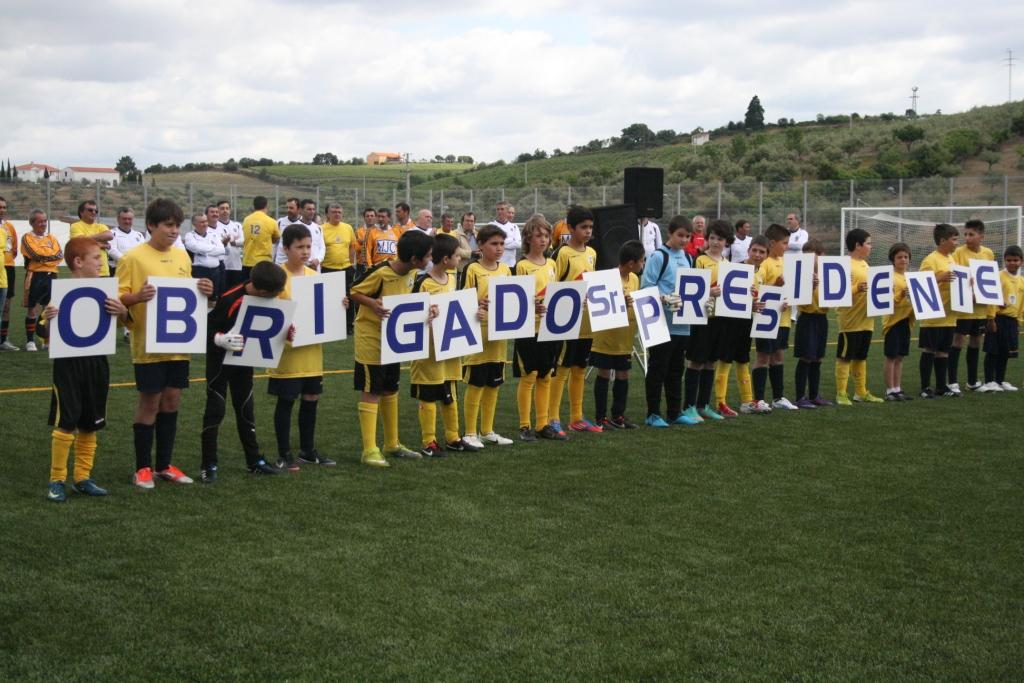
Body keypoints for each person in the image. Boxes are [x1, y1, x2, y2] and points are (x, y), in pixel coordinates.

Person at [118, 199, 214, 489]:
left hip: (178, 344)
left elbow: (190, 297)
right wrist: (137, 297)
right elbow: (116, 299)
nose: (174, 231)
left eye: (177, 226)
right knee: (150, 402)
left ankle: (163, 465)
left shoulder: (183, 257)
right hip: (148, 345)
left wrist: (206, 290)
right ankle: (142, 467)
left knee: (172, 400)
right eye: (168, 225)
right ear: (151, 225)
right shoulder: (132, 258)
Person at [42, 236, 129, 502]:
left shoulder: (105, 294)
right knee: (66, 421)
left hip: (97, 363)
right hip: (68, 365)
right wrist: (48, 322)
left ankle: (82, 477)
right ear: (78, 262)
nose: (102, 263)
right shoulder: (60, 294)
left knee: (91, 423)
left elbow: (121, 323)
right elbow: (47, 335)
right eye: (96, 258)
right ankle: (57, 479)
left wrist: (123, 311)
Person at [349, 230, 434, 467]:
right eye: (427, 256)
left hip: (394, 341)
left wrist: (429, 310)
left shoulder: (413, 273)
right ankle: (369, 449)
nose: (429, 259)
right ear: (415, 258)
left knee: (390, 389)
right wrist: (373, 304)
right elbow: (354, 290)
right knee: (372, 390)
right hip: (371, 340)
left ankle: (392, 443)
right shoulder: (381, 273)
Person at [200, 261, 288, 481]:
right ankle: (208, 464)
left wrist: (285, 332)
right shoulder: (230, 298)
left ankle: (254, 460)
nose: (279, 295)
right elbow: (205, 328)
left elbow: (270, 325)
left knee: (246, 411)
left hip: (244, 361)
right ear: (262, 291)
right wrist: (219, 339)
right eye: (276, 292)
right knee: (215, 411)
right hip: (220, 362)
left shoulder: (265, 298)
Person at [269, 224, 340, 470]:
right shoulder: (277, 277)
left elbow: (324, 315)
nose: (305, 251)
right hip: (287, 356)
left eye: (308, 246)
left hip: (312, 353)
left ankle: (307, 451)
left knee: (311, 398)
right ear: (286, 248)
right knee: (287, 400)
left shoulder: (315, 277)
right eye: (300, 247)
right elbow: (269, 316)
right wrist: (284, 329)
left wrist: (338, 304)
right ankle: (283, 454)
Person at [410, 233, 477, 456]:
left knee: (450, 393)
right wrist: (426, 315)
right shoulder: (422, 283)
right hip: (427, 352)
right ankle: (429, 442)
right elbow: (408, 316)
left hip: (449, 349)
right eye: (457, 256)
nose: (460, 259)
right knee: (429, 395)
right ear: (446, 259)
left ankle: (453, 437)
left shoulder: (451, 279)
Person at [548, 206, 602, 435]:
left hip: (586, 322)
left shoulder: (592, 253)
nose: (588, 231)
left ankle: (577, 417)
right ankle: (552, 418)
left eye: (590, 227)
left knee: (580, 367)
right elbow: (553, 286)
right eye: (583, 227)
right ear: (571, 228)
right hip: (565, 321)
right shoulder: (561, 253)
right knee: (562, 368)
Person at [461, 224, 515, 448]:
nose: (499, 248)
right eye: (494, 243)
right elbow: (462, 302)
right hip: (478, 336)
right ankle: (470, 432)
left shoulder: (506, 270)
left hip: (498, 339)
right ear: (481, 246)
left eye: (502, 243)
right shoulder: (472, 269)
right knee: (476, 383)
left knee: (494, 384)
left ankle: (487, 430)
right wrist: (477, 305)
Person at [642, 215, 693, 427]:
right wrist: (662, 298)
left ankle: (674, 411)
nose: (683, 240)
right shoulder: (658, 256)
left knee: (676, 369)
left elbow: (692, 289)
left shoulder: (689, 258)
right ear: (670, 233)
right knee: (657, 368)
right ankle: (653, 413)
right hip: (660, 322)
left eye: (687, 236)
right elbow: (646, 286)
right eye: (680, 235)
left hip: (682, 324)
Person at [514, 215, 561, 441]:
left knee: (546, 375)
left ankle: (543, 424)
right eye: (538, 235)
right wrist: (532, 306)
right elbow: (516, 301)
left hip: (549, 328)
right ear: (528, 238)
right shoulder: (521, 266)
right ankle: (525, 425)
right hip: (527, 329)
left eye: (546, 235)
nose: (543, 240)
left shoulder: (552, 264)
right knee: (529, 375)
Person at [590, 239, 644, 430]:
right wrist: (619, 301)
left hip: (625, 337)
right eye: (642, 261)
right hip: (606, 337)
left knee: (623, 374)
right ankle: (600, 417)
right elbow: (596, 304)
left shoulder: (635, 279)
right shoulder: (607, 278)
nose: (642, 264)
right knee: (604, 373)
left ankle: (618, 415)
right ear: (631, 263)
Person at [683, 219, 733, 422]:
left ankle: (704, 405)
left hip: (720, 318)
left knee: (711, 362)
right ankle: (689, 406)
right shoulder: (700, 260)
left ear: (726, 242)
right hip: (701, 317)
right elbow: (691, 288)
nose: (715, 242)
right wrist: (708, 292)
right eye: (712, 237)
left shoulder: (729, 265)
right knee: (696, 361)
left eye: (719, 239)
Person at [834, 228, 882, 405]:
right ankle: (841, 393)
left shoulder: (865, 265)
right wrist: (856, 289)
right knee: (845, 356)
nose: (871, 246)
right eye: (868, 243)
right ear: (857, 245)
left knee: (861, 357)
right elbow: (836, 294)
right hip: (850, 321)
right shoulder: (845, 265)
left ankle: (861, 392)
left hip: (866, 320)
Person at [751, 223, 797, 411]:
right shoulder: (764, 265)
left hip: (783, 318)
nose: (786, 247)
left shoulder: (785, 262)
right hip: (766, 318)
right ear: (772, 243)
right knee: (763, 357)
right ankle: (758, 399)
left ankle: (778, 397)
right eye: (784, 243)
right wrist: (777, 288)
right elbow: (757, 292)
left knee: (778, 356)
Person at [721, 235, 767, 414]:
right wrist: (750, 305)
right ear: (748, 251)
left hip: (747, 321)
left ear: (766, 255)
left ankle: (747, 401)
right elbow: (729, 298)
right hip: (731, 322)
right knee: (725, 360)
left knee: (743, 359)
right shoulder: (737, 268)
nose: (757, 254)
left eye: (761, 252)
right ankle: (720, 401)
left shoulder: (761, 272)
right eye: (754, 250)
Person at [949, 219, 995, 392]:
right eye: (965, 234)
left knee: (976, 342)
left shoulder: (988, 254)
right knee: (958, 341)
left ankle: (972, 381)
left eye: (971, 234)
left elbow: (990, 282)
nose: (967, 238)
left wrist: (991, 313)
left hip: (981, 308)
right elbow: (955, 278)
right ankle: (952, 381)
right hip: (964, 308)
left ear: (981, 236)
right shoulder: (958, 253)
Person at [918, 223, 960, 398]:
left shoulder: (952, 258)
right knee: (929, 350)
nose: (957, 243)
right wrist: (939, 278)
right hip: (933, 315)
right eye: (954, 239)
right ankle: (925, 388)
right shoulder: (930, 260)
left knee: (943, 351)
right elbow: (920, 285)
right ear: (942, 240)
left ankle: (941, 387)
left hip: (949, 315)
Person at [978, 245, 1024, 392]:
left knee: (1005, 351)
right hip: (997, 319)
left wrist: (1019, 321)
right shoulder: (998, 276)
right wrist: (991, 318)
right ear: (1004, 261)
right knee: (993, 350)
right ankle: (989, 381)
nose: (1012, 263)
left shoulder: (1022, 281)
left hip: (1012, 321)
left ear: (1021, 262)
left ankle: (999, 380)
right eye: (1008, 260)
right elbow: (990, 297)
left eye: (1015, 260)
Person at [792, 239, 832, 408]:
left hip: (821, 318)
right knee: (806, 357)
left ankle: (814, 395)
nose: (810, 258)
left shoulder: (829, 274)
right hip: (807, 318)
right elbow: (798, 298)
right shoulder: (801, 273)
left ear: (822, 256)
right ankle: (800, 397)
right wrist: (810, 286)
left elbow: (833, 299)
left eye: (814, 254)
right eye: (806, 254)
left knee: (818, 358)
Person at [21, 209, 62, 352]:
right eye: (40, 221)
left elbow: (59, 255)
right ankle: (30, 341)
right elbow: (34, 254)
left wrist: (44, 258)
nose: (43, 224)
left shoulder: (51, 238)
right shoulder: (27, 237)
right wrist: (48, 257)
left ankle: (47, 340)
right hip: (35, 276)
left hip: (51, 275)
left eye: (45, 221)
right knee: (32, 308)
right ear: (32, 223)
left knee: (49, 309)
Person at [882, 243, 914, 401]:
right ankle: (889, 390)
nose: (903, 260)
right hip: (892, 322)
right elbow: (886, 302)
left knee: (900, 356)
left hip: (906, 321)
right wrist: (901, 295)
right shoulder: (889, 277)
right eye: (899, 257)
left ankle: (897, 388)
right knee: (891, 356)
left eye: (906, 257)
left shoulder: (911, 277)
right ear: (892, 260)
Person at [321, 202, 358, 332]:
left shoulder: (347, 228)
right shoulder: (321, 229)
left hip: (346, 268)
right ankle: (330, 326)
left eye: (339, 212)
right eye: (334, 212)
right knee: (329, 298)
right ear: (328, 214)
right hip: (328, 268)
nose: (337, 214)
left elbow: (352, 246)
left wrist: (351, 262)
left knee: (349, 297)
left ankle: (349, 325)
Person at [183, 212, 226, 303]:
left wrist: (203, 250)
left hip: (215, 271)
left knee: (214, 299)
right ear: (194, 224)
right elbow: (194, 247)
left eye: (206, 221)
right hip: (199, 271)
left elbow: (222, 250)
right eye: (202, 222)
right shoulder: (189, 236)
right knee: (199, 298)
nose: (205, 224)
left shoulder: (213, 235)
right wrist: (213, 250)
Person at [69, 200, 114, 276]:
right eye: (90, 210)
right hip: (85, 271)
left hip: (103, 271)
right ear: (81, 212)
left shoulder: (101, 226)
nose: (94, 212)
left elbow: (109, 236)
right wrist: (101, 244)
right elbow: (79, 243)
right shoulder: (75, 226)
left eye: (96, 211)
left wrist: (86, 240)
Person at [240, 196, 279, 279]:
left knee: (247, 290)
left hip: (248, 262)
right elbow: (276, 239)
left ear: (254, 206)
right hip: (264, 263)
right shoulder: (272, 222)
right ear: (266, 206)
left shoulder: (246, 220)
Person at [108, 207, 146, 279]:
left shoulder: (139, 235)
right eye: (124, 219)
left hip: (137, 271)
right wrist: (129, 262)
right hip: (118, 271)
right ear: (118, 219)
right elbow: (112, 251)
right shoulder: (111, 233)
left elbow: (144, 251)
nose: (127, 221)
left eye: (129, 219)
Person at [0, 196, 18, 350]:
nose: (2, 210)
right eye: (0, 207)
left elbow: (14, 249)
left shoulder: (9, 227)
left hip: (8, 268)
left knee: (6, 306)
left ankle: (3, 339)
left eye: (4, 207)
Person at [217, 200, 246, 289]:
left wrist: (234, 242)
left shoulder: (237, 225)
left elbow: (244, 241)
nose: (225, 210)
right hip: (222, 266)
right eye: (222, 209)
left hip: (236, 266)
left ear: (230, 210)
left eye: (227, 208)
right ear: (217, 210)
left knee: (234, 292)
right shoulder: (215, 226)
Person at [491, 201, 522, 269]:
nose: (499, 211)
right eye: (498, 209)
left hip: (511, 264)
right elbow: (491, 243)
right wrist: (511, 240)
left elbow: (518, 244)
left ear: (507, 211)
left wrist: (500, 243)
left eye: (502, 209)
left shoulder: (514, 227)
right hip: (496, 264)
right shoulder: (491, 225)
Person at [355, 207, 375, 280]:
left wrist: (364, 242)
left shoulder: (379, 231)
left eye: (372, 216)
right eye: (367, 216)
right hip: (361, 265)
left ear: (375, 217)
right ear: (364, 218)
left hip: (375, 264)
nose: (370, 218)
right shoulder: (359, 231)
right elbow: (357, 249)